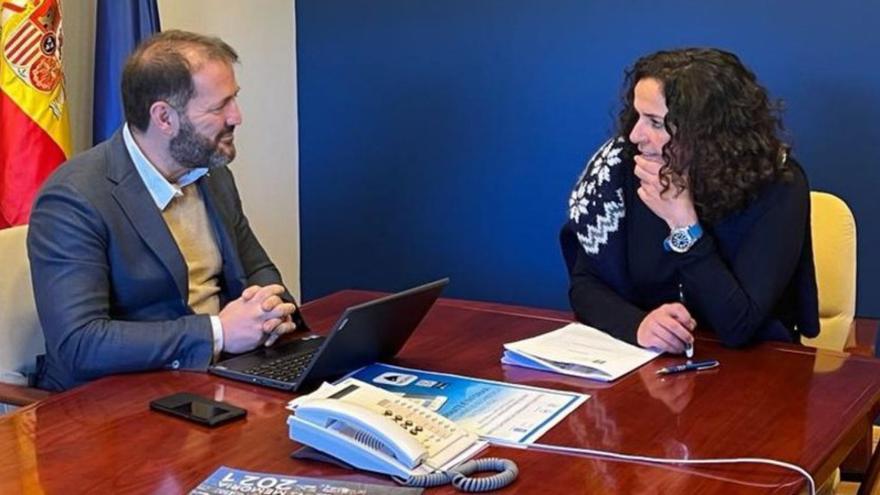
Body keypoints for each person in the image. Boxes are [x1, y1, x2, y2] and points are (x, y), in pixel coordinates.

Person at [27, 30, 306, 391]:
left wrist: (271, 310)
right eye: (219, 106)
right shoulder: (74, 198)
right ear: (163, 117)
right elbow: (80, 342)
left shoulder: (214, 174)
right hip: (119, 402)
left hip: (222, 376)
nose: (237, 117)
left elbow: (256, 268)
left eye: (233, 100)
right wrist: (218, 332)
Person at [561, 48, 819, 354]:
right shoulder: (622, 166)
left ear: (707, 133)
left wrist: (682, 224)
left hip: (754, 369)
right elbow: (585, 283)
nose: (634, 135)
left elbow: (739, 326)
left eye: (655, 122)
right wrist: (637, 325)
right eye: (638, 115)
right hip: (652, 365)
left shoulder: (777, 185)